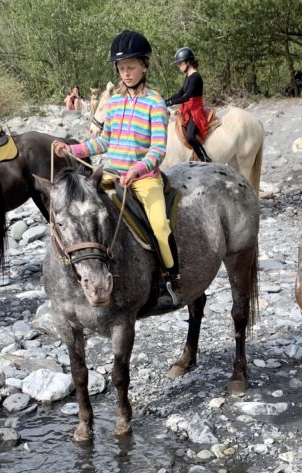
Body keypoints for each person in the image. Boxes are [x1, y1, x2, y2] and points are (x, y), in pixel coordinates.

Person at [52, 30, 181, 308]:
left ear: (145, 66)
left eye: (132, 67)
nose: (127, 73)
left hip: (144, 179)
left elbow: (159, 149)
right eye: (122, 68)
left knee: (159, 226)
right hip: (111, 174)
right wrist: (71, 150)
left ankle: (169, 280)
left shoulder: (155, 103)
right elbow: (105, 141)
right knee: (87, 218)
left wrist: (137, 169)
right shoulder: (114, 102)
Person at [164, 47, 211, 162]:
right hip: (188, 108)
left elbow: (187, 96)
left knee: (190, 136)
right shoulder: (188, 77)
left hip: (196, 110)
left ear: (188, 62)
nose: (179, 66)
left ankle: (205, 159)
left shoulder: (196, 77)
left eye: (180, 63)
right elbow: (180, 93)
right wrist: (164, 101)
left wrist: (171, 102)